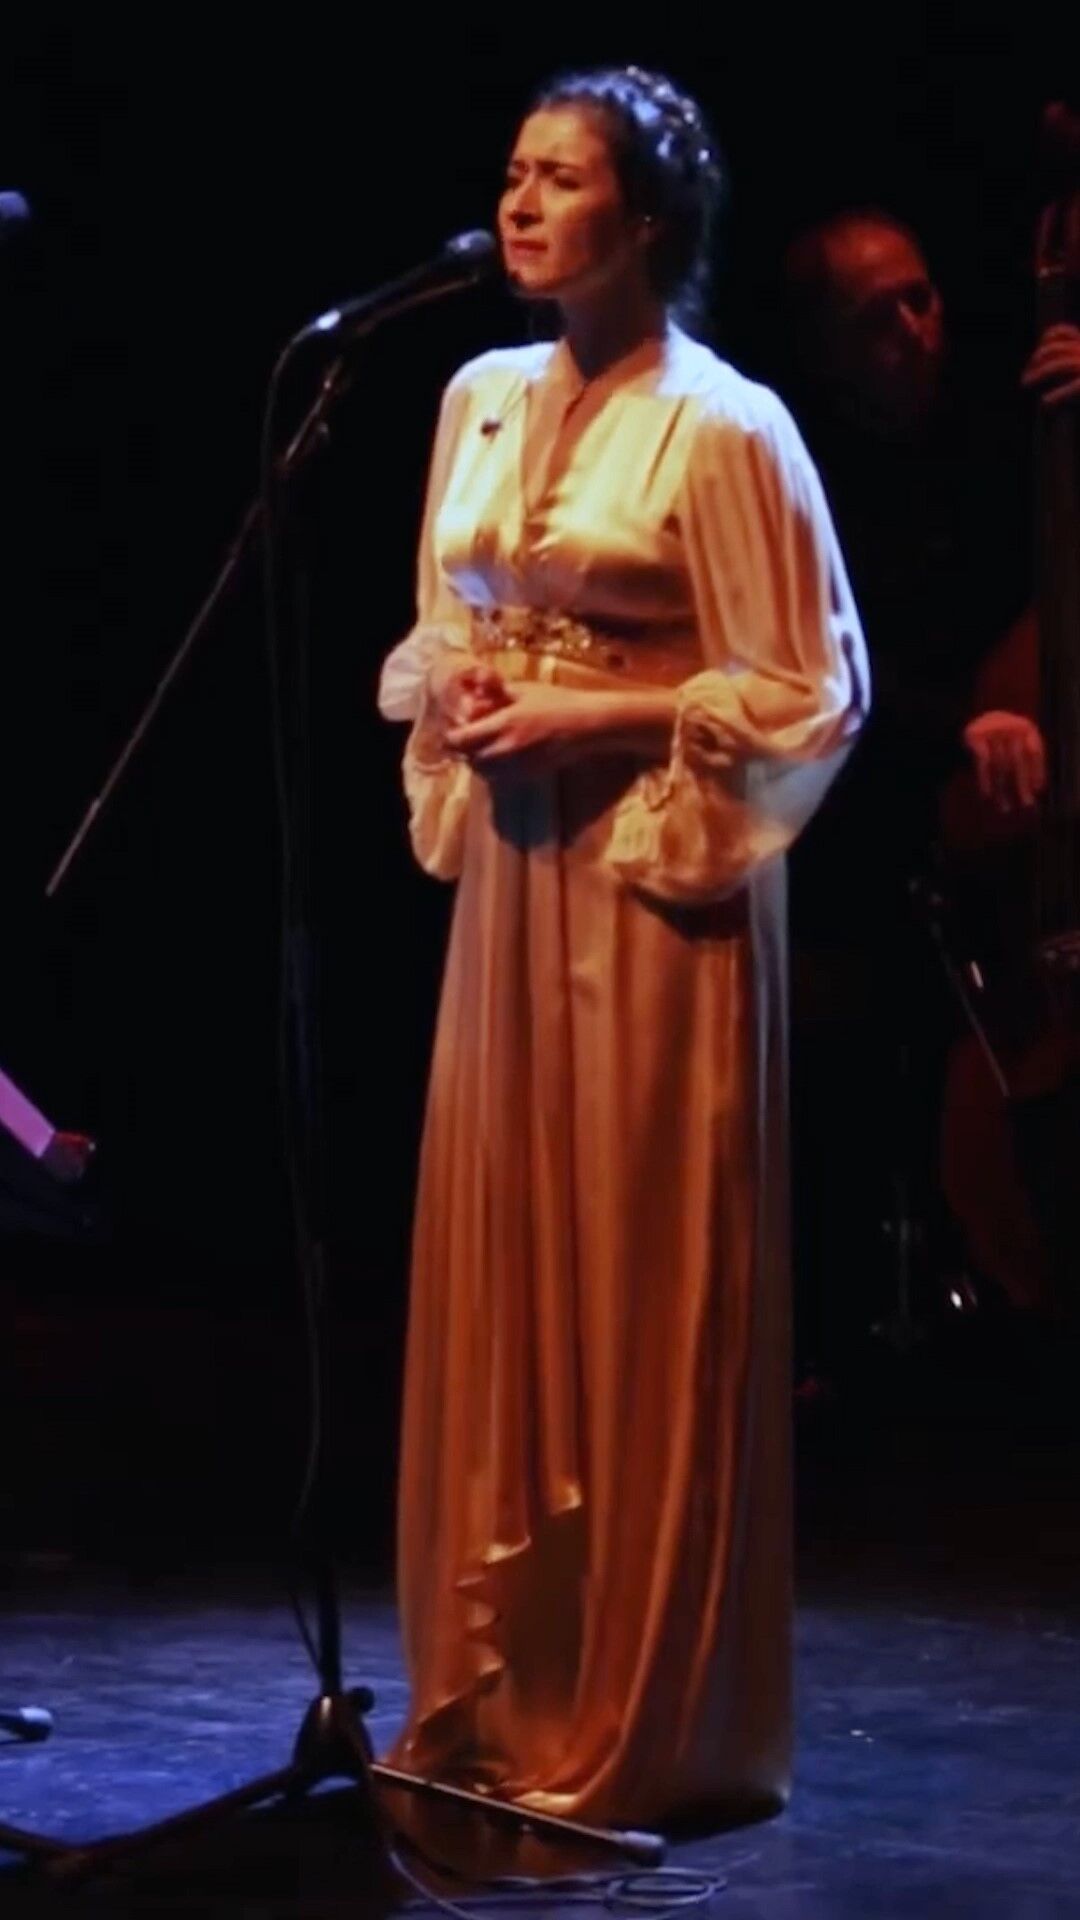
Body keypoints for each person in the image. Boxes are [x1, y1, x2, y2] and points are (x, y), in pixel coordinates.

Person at [377, 65, 867, 1829]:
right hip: (517, 886)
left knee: (640, 1272)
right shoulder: (480, 397)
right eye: (512, 172)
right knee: (511, 1249)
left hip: (660, 885)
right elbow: (440, 623)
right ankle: (507, 1688)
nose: (519, 203)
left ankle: (649, 1715)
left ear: (646, 220)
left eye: (561, 179)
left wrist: (600, 716)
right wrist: (467, 693)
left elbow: (810, 688)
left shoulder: (727, 428)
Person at [775, 209, 1080, 1372]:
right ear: (825, 348)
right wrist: (960, 725)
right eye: (879, 318)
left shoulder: (1002, 422)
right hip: (874, 809)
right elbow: (814, 659)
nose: (917, 328)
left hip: (1016, 809)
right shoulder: (798, 472)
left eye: (924, 297)